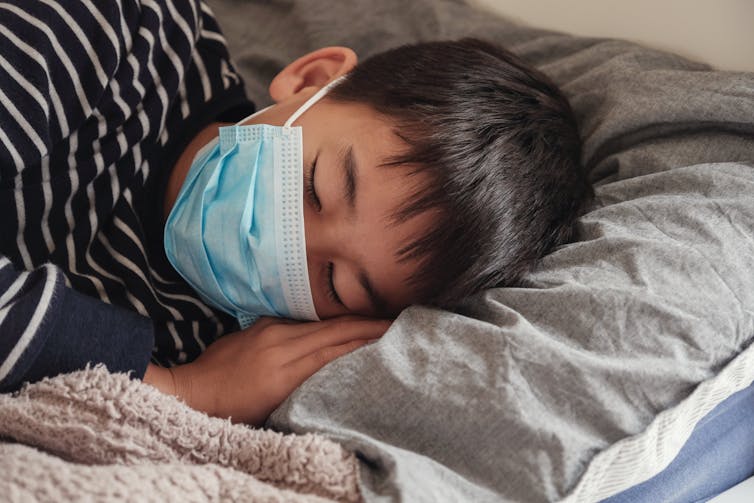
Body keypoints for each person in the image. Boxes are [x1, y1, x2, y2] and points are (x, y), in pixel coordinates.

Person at [0, 0, 590, 425]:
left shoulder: (218, 340)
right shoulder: (112, 34)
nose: (277, 242)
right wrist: (175, 389)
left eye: (332, 281)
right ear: (312, 79)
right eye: (315, 188)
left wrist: (200, 383)